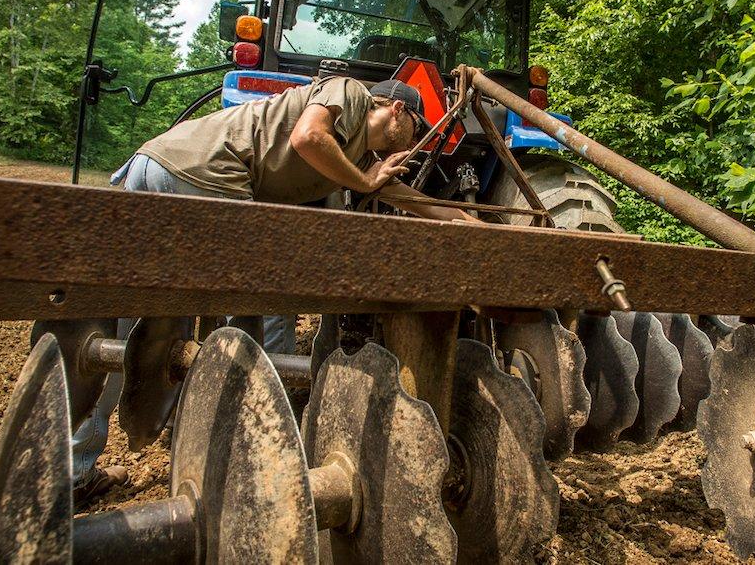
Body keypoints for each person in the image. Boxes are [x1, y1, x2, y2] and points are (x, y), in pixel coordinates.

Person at [72, 76, 477, 504]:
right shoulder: (351, 92)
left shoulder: (356, 156)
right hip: (205, 176)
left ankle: (77, 470)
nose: (415, 139)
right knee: (270, 313)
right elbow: (308, 137)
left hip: (151, 165)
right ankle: (261, 457)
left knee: (126, 322)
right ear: (396, 110)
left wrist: (476, 227)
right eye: (418, 124)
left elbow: (416, 201)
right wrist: (361, 182)